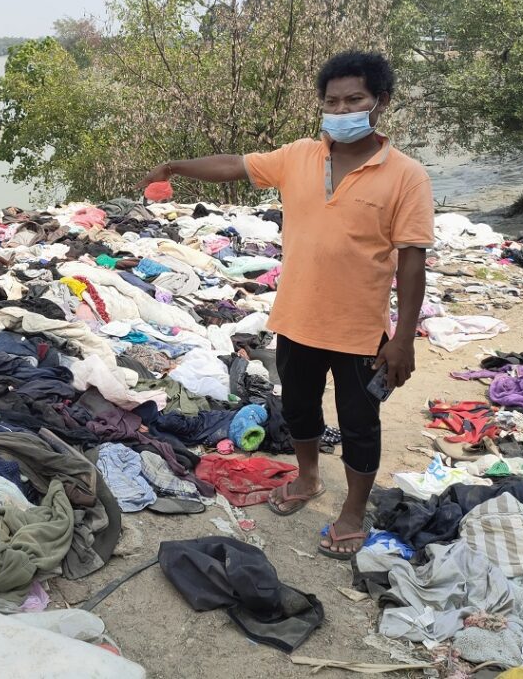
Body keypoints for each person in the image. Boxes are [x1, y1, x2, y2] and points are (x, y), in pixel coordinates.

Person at [137, 50, 433, 559]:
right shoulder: (299, 156)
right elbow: (235, 165)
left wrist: (403, 338)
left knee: (360, 424)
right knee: (298, 410)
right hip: (296, 320)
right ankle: (308, 478)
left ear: (380, 102)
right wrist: (175, 166)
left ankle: (354, 511)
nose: (341, 110)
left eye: (354, 99)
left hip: (360, 329)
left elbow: (411, 263)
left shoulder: (406, 175)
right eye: (332, 101)